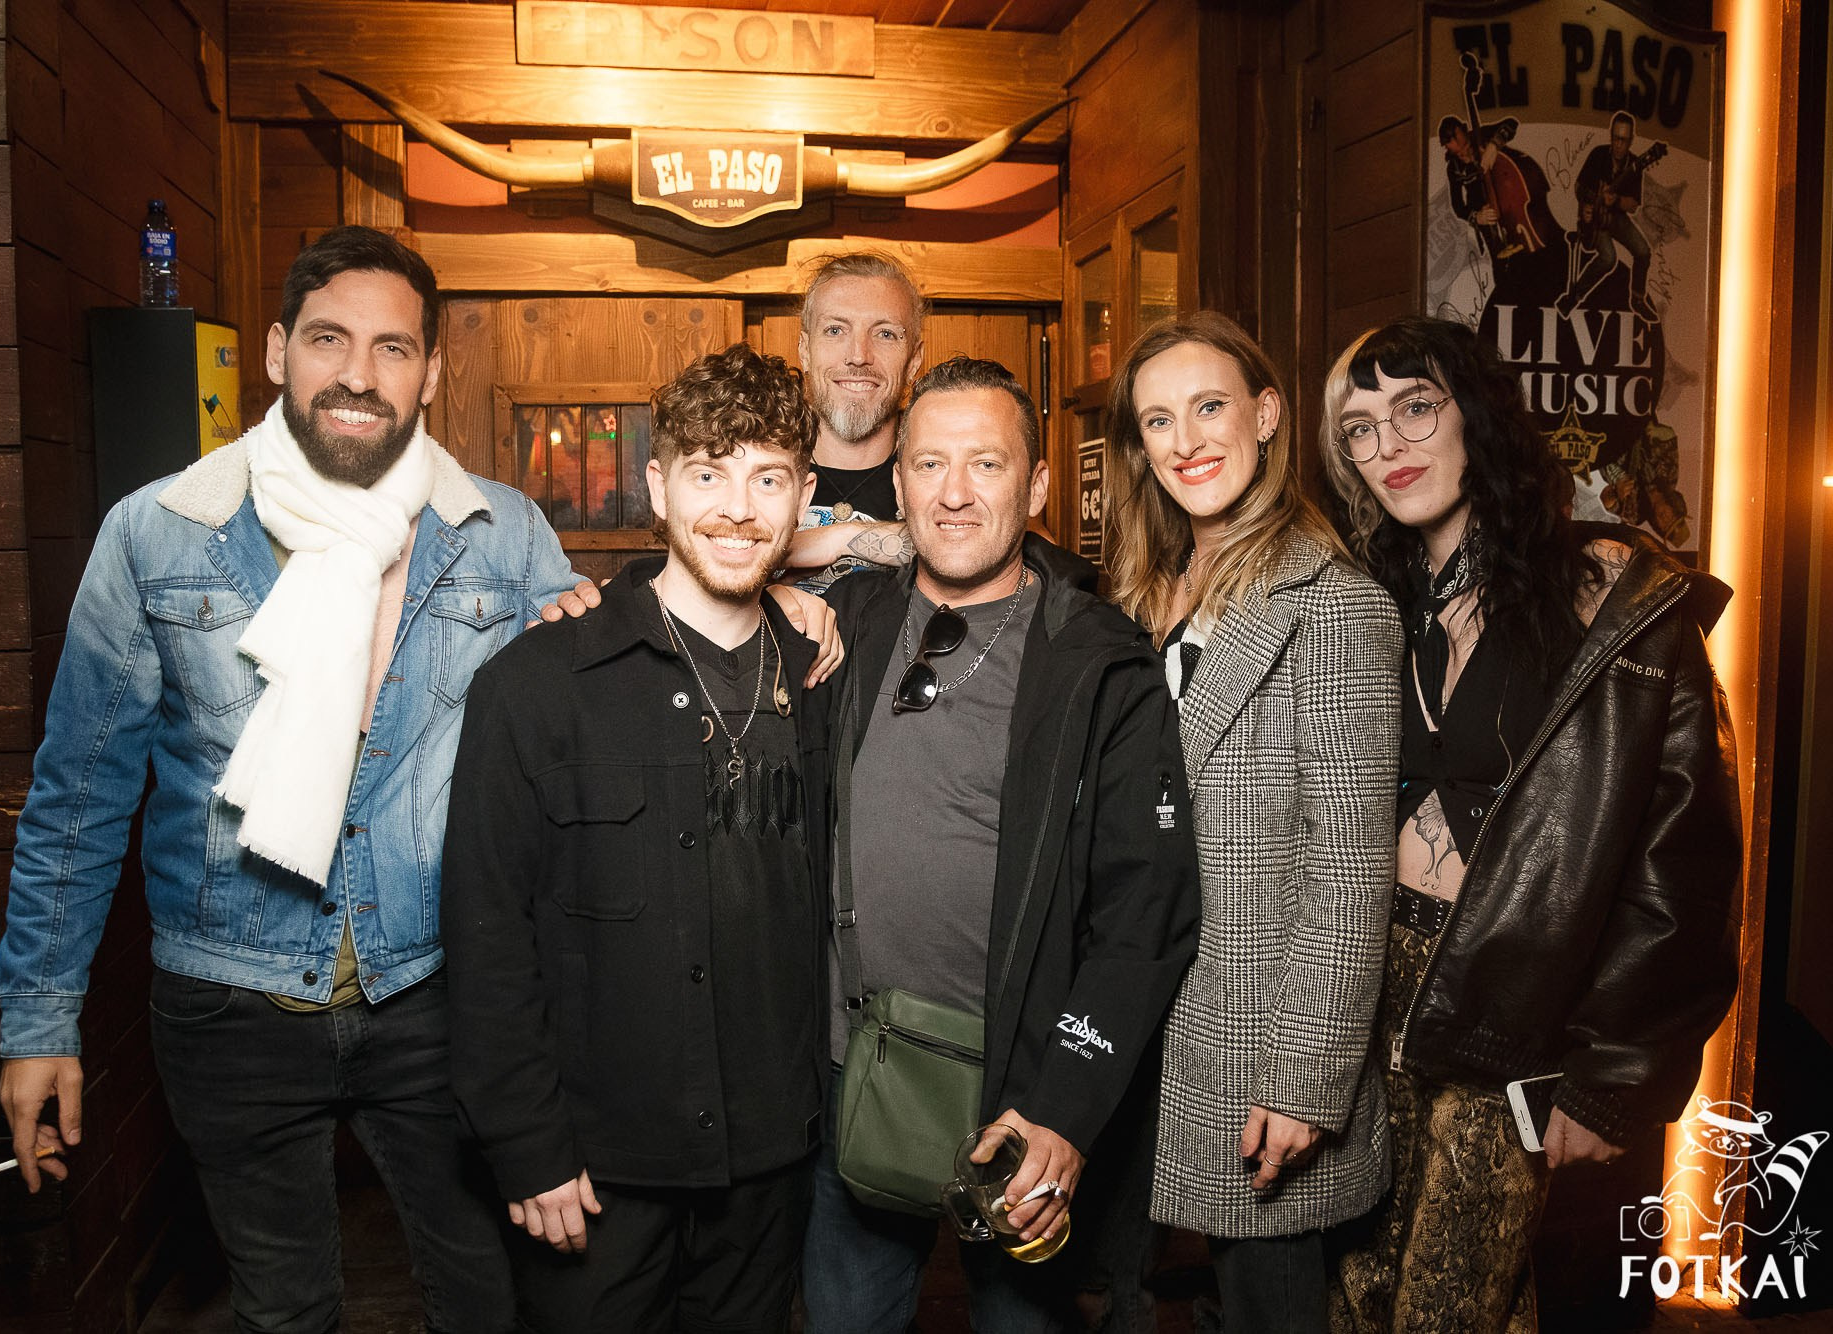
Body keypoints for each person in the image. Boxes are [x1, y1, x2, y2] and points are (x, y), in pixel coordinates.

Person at [0, 225, 589, 1333]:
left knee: (486, 1300)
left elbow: (590, 721)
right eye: (328, 339)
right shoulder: (159, 533)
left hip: (436, 992)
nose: (359, 373)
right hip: (227, 998)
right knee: (283, 1309)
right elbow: (78, 796)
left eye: (392, 347)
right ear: (275, 351)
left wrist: (784, 592)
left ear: (431, 370)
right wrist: (39, 1020)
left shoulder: (501, 535)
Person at [1316, 315, 1739, 1332]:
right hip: (1363, 994)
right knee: (1355, 1294)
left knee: (1451, 1309)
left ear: (1476, 416)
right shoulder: (1369, 594)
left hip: (1509, 1004)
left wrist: (1611, 1077)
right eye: (1360, 428)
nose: (1389, 447)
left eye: (1413, 406)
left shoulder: (1609, 600)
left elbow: (1682, 866)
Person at [801, 356, 1202, 1333]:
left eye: (984, 464)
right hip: (856, 1070)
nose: (950, 491)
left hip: (1018, 1099)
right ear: (895, 484)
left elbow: (1144, 914)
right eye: (927, 463)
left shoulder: (1099, 662)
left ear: (1035, 486)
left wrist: (1065, 1102)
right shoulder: (844, 623)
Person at [442, 344, 832, 1333]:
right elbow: (484, 931)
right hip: (595, 1169)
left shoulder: (828, 680)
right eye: (707, 473)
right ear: (657, 486)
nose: (737, 508)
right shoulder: (536, 683)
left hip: (769, 1159)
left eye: (766, 478)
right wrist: (524, 1144)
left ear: (803, 496)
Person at [1101, 312, 1401, 1332]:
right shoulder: (1144, 591)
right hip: (1143, 1026)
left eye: (1209, 405)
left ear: (1265, 414)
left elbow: (1350, 869)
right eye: (1157, 419)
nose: (1184, 438)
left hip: (1256, 1048)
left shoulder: (1334, 605)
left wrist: (1308, 1081)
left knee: (1265, 1307)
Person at [784, 250, 925, 589]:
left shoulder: (942, 469)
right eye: (835, 330)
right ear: (805, 350)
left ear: (914, 360)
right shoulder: (755, 466)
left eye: (885, 334)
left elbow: (1015, 554)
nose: (859, 355)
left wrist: (833, 539)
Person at [1558, 112, 1659, 323]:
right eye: (1615, 138)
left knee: (1643, 251)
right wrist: (1587, 205)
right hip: (1595, 220)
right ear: (1611, 136)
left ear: (1631, 140)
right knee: (1608, 258)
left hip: (1615, 217)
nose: (1619, 145)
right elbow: (1579, 186)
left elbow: (1633, 205)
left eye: (1623, 139)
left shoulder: (1634, 165)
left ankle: (1638, 299)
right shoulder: (1598, 155)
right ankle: (1575, 296)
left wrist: (1617, 201)